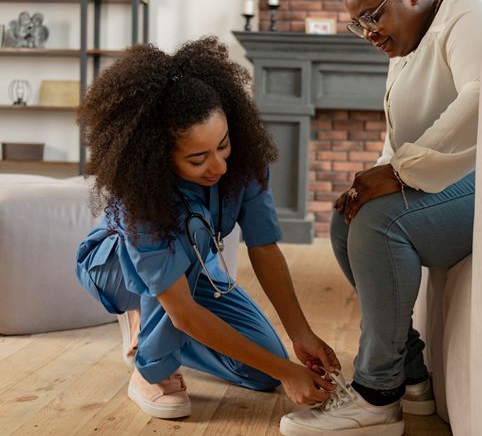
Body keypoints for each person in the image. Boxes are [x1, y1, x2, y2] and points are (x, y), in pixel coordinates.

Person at [279, 0, 482, 435]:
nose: (366, 32)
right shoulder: (404, 49)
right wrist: (372, 181)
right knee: (349, 218)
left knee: (381, 224)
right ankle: (410, 375)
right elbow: (398, 142)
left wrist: (399, 174)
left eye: (372, 16)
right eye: (356, 23)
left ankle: (377, 396)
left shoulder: (468, 9)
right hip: (453, 187)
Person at [74, 38, 339, 420]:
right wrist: (287, 373)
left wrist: (300, 336)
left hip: (193, 269)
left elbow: (264, 249)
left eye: (223, 145)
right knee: (179, 277)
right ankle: (151, 368)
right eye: (198, 158)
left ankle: (149, 322)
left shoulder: (243, 165)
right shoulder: (145, 199)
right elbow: (183, 312)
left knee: (259, 372)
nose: (218, 166)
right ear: (159, 156)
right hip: (114, 268)